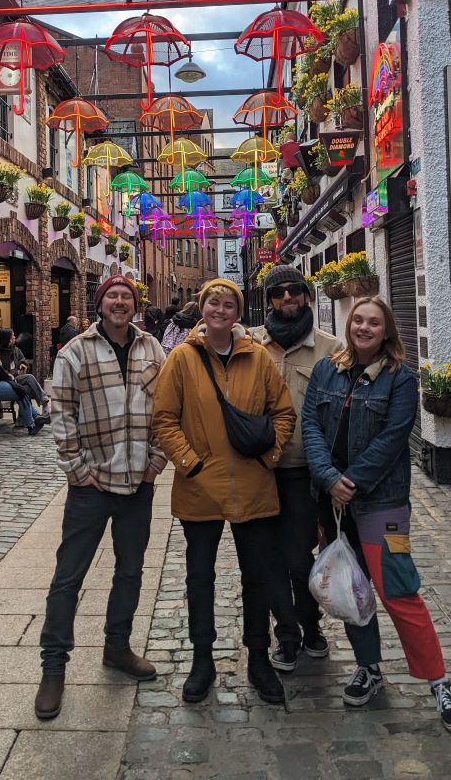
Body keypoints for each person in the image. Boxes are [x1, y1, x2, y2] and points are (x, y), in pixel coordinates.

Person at [301, 297, 451, 733]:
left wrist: (348, 483)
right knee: (353, 593)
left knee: (399, 591)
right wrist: (326, 478)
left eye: (373, 322)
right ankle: (369, 668)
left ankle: (439, 683)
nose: (363, 327)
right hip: (332, 504)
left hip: (381, 505)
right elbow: (311, 428)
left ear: (386, 330)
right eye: (358, 319)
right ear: (348, 323)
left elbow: (394, 439)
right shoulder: (325, 371)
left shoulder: (400, 379)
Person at [152, 278, 298, 705]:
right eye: (213, 303)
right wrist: (190, 462)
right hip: (200, 487)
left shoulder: (258, 357)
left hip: (253, 484)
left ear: (237, 312)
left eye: (228, 304)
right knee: (200, 577)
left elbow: (283, 411)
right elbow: (164, 419)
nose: (220, 310)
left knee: (258, 576)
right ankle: (202, 659)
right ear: (203, 308)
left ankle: (258, 656)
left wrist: (270, 455)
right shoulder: (181, 358)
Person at [35, 276, 167, 721]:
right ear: (100, 303)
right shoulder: (75, 351)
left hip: (137, 483)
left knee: (130, 571)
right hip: (90, 487)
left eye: (126, 297)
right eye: (112, 296)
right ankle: (53, 666)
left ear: (134, 304)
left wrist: (156, 463)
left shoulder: (153, 349)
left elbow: (169, 407)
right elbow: (61, 411)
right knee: (68, 577)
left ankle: (117, 646)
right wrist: (77, 470)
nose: (119, 302)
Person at [250, 265, 342, 672]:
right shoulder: (250, 344)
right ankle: (286, 636)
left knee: (300, 557)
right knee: (270, 559)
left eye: (293, 291)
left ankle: (311, 626)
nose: (286, 298)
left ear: (306, 295)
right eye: (278, 293)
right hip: (260, 471)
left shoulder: (330, 348)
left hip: (306, 472)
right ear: (269, 300)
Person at [0, 328, 50, 421]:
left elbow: (22, 360)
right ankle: (44, 405)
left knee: (27, 388)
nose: (14, 337)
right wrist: (15, 372)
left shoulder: (15, 350)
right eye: (12, 336)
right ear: (7, 339)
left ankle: (23, 418)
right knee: (29, 378)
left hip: (17, 378)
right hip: (5, 380)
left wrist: (22, 365)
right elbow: (0, 370)